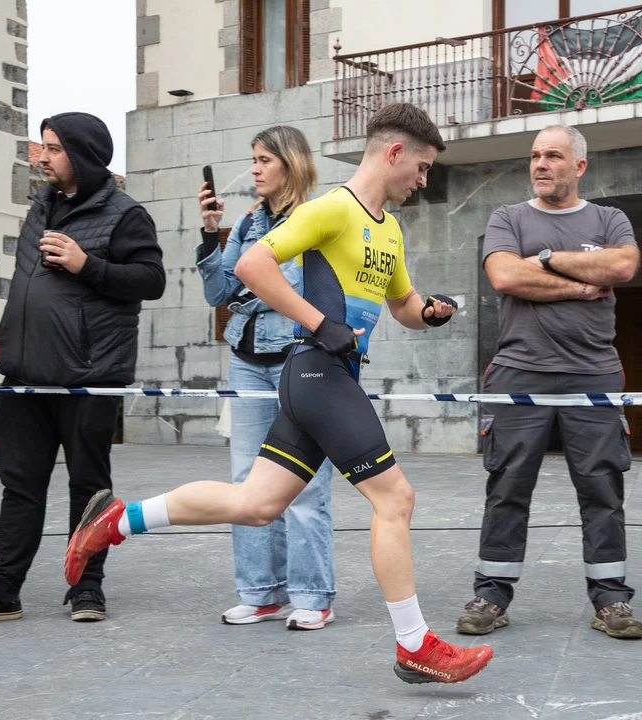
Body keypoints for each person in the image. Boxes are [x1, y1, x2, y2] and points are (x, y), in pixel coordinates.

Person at [64, 103, 492, 684]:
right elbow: (251, 264)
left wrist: (431, 312)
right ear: (394, 153)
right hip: (317, 374)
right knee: (396, 499)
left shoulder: (389, 229)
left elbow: (403, 306)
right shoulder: (333, 208)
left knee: (256, 503)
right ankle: (415, 644)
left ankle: (118, 520)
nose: (423, 179)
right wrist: (318, 323)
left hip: (328, 378)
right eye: (421, 167)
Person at [0, 112, 165, 625]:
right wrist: (10, 336)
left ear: (83, 156)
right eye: (43, 147)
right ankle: (3, 591)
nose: (42, 157)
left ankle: (87, 589)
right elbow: (25, 283)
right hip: (25, 376)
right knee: (20, 486)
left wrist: (87, 264)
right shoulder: (40, 206)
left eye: (53, 149)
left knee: (89, 489)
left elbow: (151, 280)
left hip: (88, 377)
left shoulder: (126, 214)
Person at [457, 125, 642, 641]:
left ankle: (611, 599)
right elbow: (505, 277)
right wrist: (582, 284)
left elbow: (622, 264)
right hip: (519, 369)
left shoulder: (609, 218)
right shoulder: (508, 217)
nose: (540, 164)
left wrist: (544, 260)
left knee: (602, 486)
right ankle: (491, 595)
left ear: (578, 166)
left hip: (594, 371)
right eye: (536, 155)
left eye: (553, 156)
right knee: (508, 485)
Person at [197, 125, 337, 630]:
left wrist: (251, 285)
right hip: (247, 360)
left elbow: (290, 288)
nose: (254, 169)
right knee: (246, 481)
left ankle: (313, 596)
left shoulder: (318, 219)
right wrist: (210, 235)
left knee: (306, 484)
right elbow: (220, 294)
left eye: (263, 160)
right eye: (253, 159)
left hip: (299, 356)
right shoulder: (247, 223)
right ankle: (261, 593)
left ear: (290, 163)